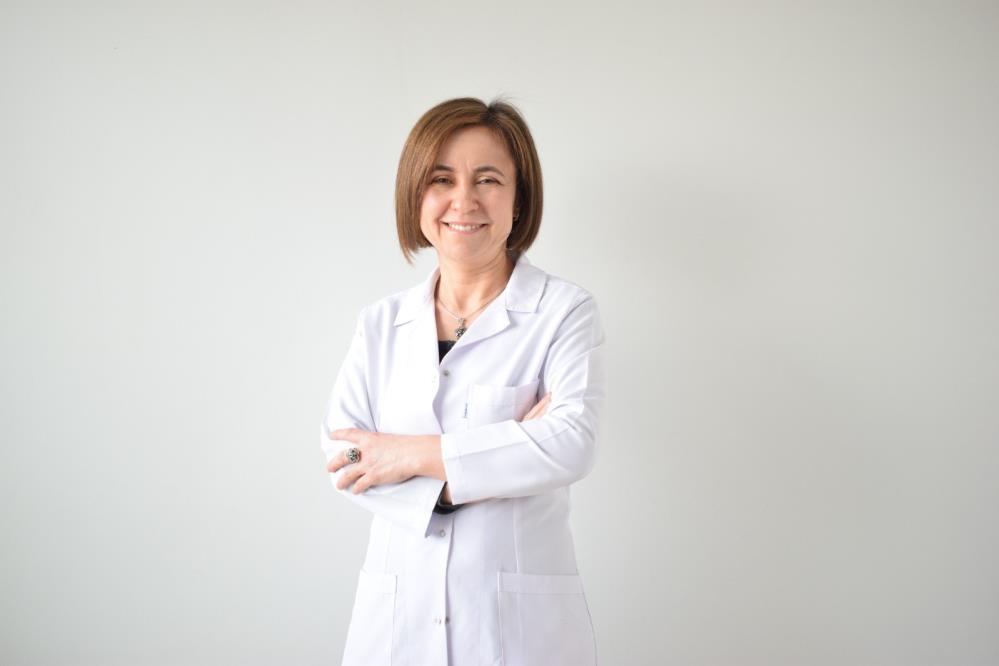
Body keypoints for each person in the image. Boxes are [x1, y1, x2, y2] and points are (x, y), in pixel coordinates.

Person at [320, 96, 606, 666]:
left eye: (488, 180)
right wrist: (505, 454)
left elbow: (570, 443)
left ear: (519, 199)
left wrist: (408, 455)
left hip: (519, 635)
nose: (464, 200)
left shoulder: (563, 312)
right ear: (416, 196)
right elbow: (343, 457)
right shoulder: (380, 324)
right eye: (442, 179)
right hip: (396, 627)